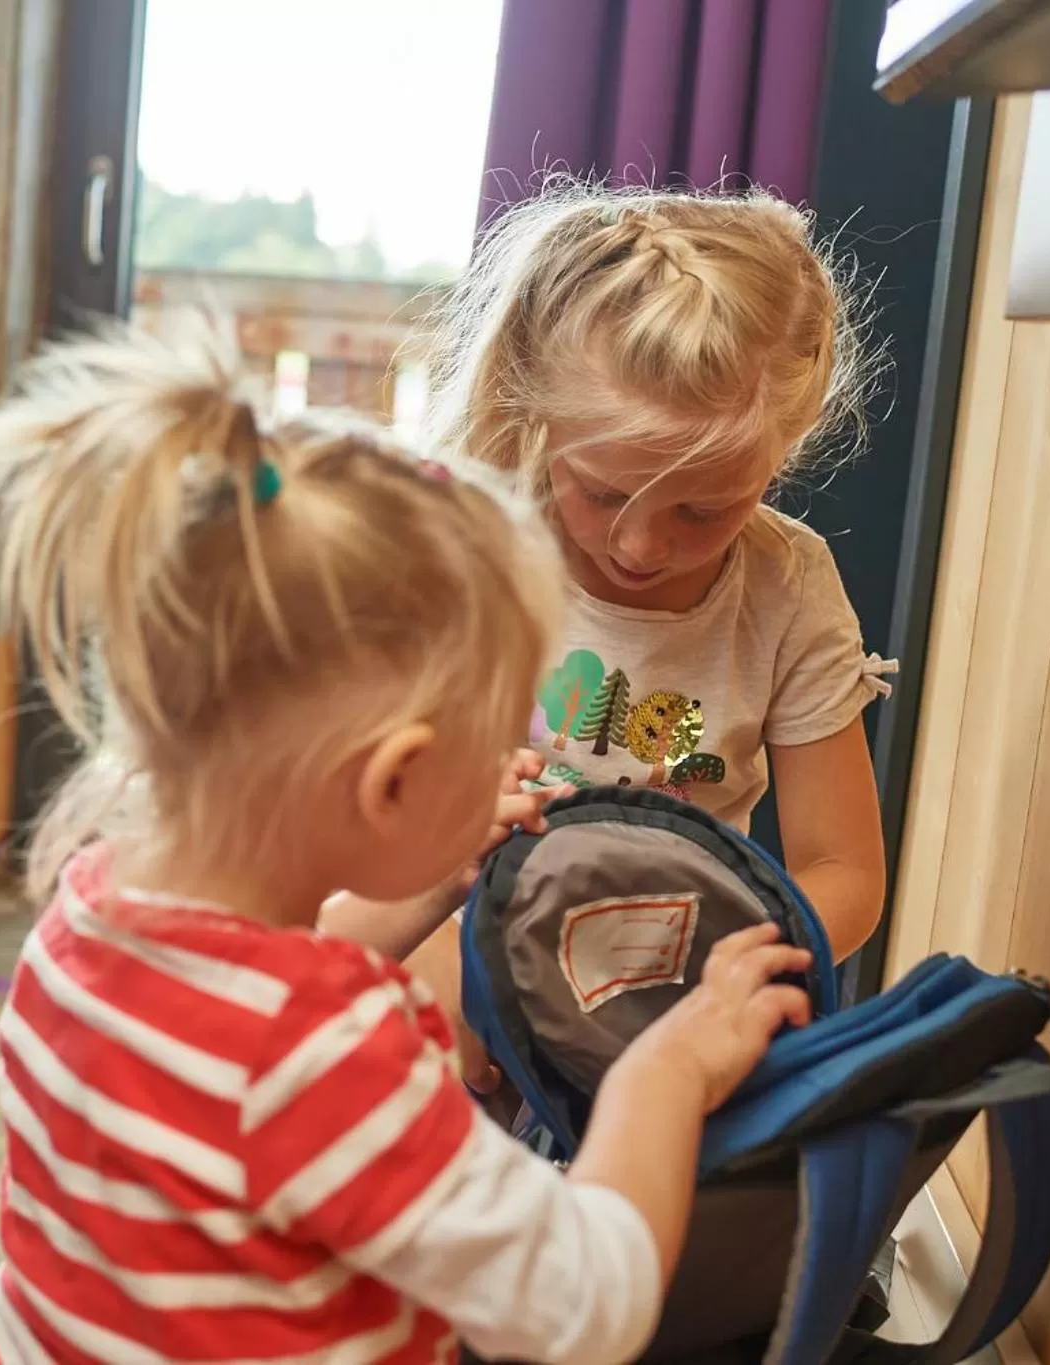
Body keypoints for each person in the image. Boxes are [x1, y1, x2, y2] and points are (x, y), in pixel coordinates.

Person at [0, 319, 814, 1364]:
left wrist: (430, 871)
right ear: (392, 780)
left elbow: (237, 1063)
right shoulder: (335, 1051)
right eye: (495, 740)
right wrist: (663, 1074)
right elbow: (585, 1307)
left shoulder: (82, 924)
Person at [321, 185, 891, 1092]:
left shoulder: (789, 585)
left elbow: (843, 869)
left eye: (702, 509)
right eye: (602, 491)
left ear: (788, 447)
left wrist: (732, 962)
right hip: (449, 919)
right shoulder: (467, 545)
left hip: (667, 962)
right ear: (537, 410)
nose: (640, 543)